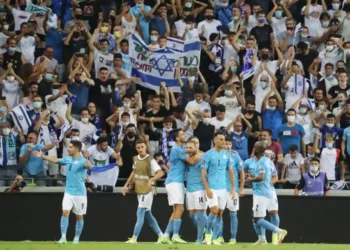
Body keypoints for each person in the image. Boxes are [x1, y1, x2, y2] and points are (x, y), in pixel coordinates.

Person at [32, 141, 92, 244]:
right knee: (65, 212)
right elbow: (55, 160)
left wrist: (89, 165)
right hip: (68, 192)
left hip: (80, 193)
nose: (68, 149)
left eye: (70, 147)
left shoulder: (82, 161)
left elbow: (89, 167)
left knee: (79, 216)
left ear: (76, 149)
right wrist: (43, 156)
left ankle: (76, 238)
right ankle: (63, 237)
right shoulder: (67, 159)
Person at [244, 142, 287, 245]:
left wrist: (249, 180)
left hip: (261, 193)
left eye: (254, 148)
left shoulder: (260, 162)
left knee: (257, 218)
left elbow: (261, 177)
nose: (253, 149)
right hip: (269, 191)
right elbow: (272, 175)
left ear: (256, 150)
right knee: (258, 216)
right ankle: (262, 239)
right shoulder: (268, 161)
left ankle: (278, 231)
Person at [122, 139, 164, 244]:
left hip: (148, 189)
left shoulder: (151, 160)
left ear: (145, 147)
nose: (140, 149)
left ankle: (134, 238)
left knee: (140, 212)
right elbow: (134, 172)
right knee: (148, 215)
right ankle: (161, 236)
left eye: (142, 147)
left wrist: (151, 180)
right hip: (139, 188)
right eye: (138, 147)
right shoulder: (135, 158)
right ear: (136, 148)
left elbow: (160, 173)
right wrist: (125, 185)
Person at [162, 130, 201, 244]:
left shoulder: (182, 148)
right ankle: (174, 235)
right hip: (175, 181)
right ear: (178, 138)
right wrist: (199, 154)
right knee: (180, 209)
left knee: (176, 210)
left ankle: (165, 235)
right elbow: (192, 161)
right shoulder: (177, 149)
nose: (185, 136)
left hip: (175, 181)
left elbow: (190, 150)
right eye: (183, 135)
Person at [201, 131, 235, 245]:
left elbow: (230, 171)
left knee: (220, 214)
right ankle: (208, 235)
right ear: (214, 140)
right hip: (212, 188)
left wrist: (233, 188)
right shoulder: (208, 154)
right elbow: (203, 173)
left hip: (223, 188)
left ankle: (214, 238)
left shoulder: (227, 155)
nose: (223, 141)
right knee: (214, 211)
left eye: (224, 139)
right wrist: (207, 189)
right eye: (221, 139)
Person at [220, 137, 244, 245]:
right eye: (225, 144)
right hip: (219, 188)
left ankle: (233, 238)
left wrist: (241, 188)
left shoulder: (236, 156)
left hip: (232, 189)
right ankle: (219, 237)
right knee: (218, 213)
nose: (227, 146)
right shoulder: (217, 155)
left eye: (229, 144)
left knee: (233, 213)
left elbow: (242, 173)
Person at [184, 137, 206, 244]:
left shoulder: (202, 157)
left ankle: (200, 238)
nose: (188, 149)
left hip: (200, 189)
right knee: (191, 214)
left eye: (190, 147)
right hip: (189, 189)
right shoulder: (186, 157)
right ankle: (206, 230)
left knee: (200, 213)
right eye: (187, 147)